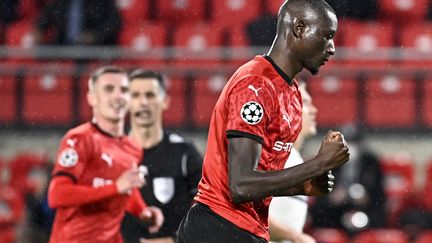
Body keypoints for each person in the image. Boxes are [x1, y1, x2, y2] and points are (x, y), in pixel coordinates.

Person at [176, 0, 350, 242]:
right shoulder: (255, 85)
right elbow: (241, 186)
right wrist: (318, 164)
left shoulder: (292, 94)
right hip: (218, 227)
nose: (331, 48)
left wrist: (302, 186)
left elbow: (259, 180)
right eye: (326, 36)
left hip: (245, 230)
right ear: (299, 28)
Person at [48, 66, 163, 242]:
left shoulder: (132, 147)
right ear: (92, 98)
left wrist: (143, 212)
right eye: (109, 89)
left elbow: (126, 190)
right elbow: (57, 195)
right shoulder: (79, 139)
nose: (118, 96)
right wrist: (116, 187)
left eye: (124, 90)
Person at [121, 70, 203, 243]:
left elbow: (210, 209)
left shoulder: (184, 153)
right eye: (135, 95)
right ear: (127, 102)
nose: (143, 102)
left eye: (150, 95)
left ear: (165, 101)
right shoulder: (111, 153)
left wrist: (174, 240)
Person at [309, 124, 386, 234]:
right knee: (321, 211)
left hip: (364, 207)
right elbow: (319, 191)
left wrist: (366, 196)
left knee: (378, 214)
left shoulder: (371, 162)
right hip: (336, 209)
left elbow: (379, 192)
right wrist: (333, 197)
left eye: (353, 142)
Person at [268, 82, 318, 243]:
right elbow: (246, 213)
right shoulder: (272, 156)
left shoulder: (292, 157)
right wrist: (296, 237)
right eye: (306, 103)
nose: (314, 110)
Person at [35, 0, 121, 45]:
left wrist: (94, 35)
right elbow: (46, 15)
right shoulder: (62, 2)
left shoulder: (101, 2)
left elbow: (114, 22)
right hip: (63, 46)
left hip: (92, 49)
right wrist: (39, 29)